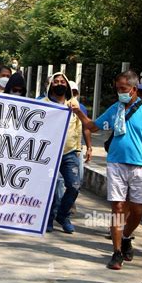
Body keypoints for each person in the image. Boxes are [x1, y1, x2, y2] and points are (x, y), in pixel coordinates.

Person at [72, 70, 142, 270]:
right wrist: (78, 112)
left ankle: (127, 237)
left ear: (133, 89)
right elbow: (93, 127)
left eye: (123, 89)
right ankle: (117, 252)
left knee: (137, 210)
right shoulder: (115, 109)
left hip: (139, 166)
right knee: (118, 209)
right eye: (117, 88)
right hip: (116, 164)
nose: (119, 92)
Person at [42, 72, 84, 234]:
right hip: (49, 153)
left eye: (62, 81)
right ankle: (49, 218)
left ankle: (63, 215)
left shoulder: (73, 104)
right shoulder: (43, 103)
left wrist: (79, 149)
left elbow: (78, 126)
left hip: (70, 152)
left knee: (74, 186)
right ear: (51, 85)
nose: (59, 84)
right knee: (51, 187)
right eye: (56, 81)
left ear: (67, 85)